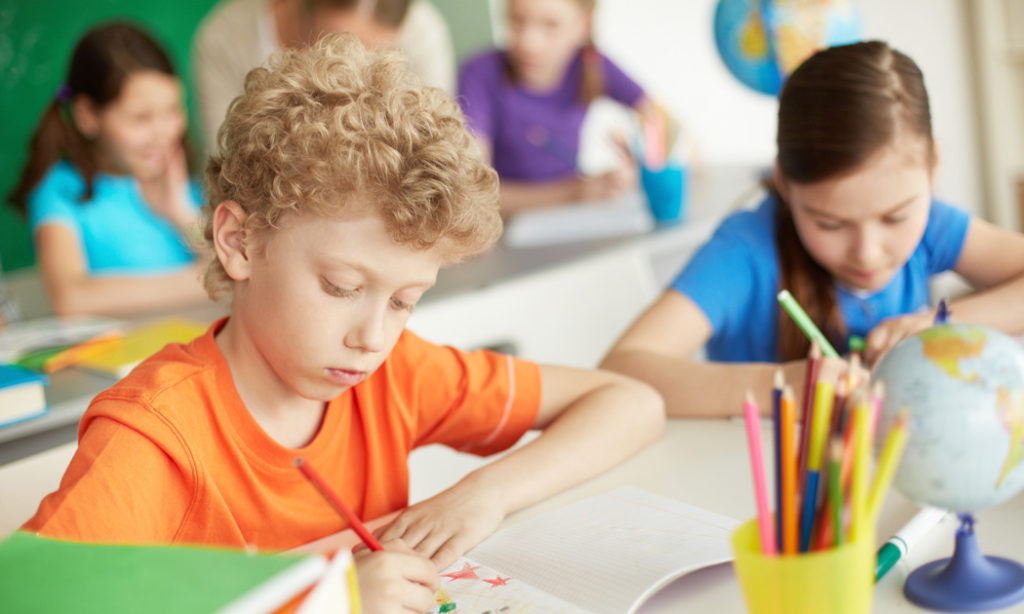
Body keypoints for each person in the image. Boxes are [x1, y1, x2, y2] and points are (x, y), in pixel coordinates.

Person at [23, 34, 665, 612]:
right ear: (240, 243)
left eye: (404, 300)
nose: (373, 338)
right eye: (342, 287)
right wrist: (324, 591)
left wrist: (485, 494)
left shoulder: (393, 374)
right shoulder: (157, 436)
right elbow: (34, 594)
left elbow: (630, 402)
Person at [600, 41, 1024, 418]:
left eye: (894, 218)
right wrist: (778, 386)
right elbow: (624, 367)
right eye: (830, 223)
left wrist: (941, 322)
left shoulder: (934, 223)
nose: (867, 252)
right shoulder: (746, 249)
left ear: (933, 166)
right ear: (784, 183)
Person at [7, 22, 208, 318]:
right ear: (87, 115)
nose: (163, 132)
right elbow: (71, 298)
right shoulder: (61, 190)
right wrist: (201, 281)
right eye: (141, 118)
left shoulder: (178, 183)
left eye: (172, 110)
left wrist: (179, 211)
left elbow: (228, 264)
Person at [457, 0, 655, 214]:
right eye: (517, 20)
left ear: (584, 25)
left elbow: (661, 122)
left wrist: (642, 161)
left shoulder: (592, 64)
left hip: (568, 222)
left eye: (551, 25)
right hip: (504, 230)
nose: (529, 43)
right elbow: (473, 194)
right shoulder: (479, 74)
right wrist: (575, 193)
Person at [193, 0, 455, 156]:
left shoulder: (421, 34)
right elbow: (226, 157)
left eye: (376, 53)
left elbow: (434, 146)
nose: (352, 65)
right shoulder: (224, 39)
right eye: (335, 44)